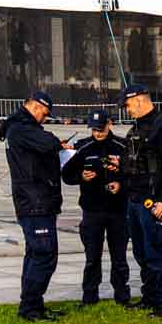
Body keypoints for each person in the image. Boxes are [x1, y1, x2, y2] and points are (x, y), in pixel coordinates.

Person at [3, 90, 67, 322]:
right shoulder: (21, 129)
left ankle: (33, 304)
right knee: (44, 254)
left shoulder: (20, 128)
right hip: (35, 201)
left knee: (35, 254)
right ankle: (29, 308)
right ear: (36, 107)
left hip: (37, 200)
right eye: (45, 114)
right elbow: (48, 142)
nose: (45, 119)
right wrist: (55, 143)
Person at [60, 111, 132, 306]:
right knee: (92, 257)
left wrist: (120, 185)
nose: (98, 133)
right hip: (92, 210)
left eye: (101, 129)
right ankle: (89, 297)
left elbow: (133, 175)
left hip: (118, 210)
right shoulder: (82, 147)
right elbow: (66, 175)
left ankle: (122, 296)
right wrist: (81, 177)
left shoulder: (122, 146)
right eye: (94, 129)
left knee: (119, 257)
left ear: (109, 124)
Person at [122, 83, 162, 318]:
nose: (127, 110)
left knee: (155, 252)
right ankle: (150, 297)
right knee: (141, 253)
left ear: (139, 100)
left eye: (127, 105)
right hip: (134, 200)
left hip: (152, 201)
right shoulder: (137, 128)